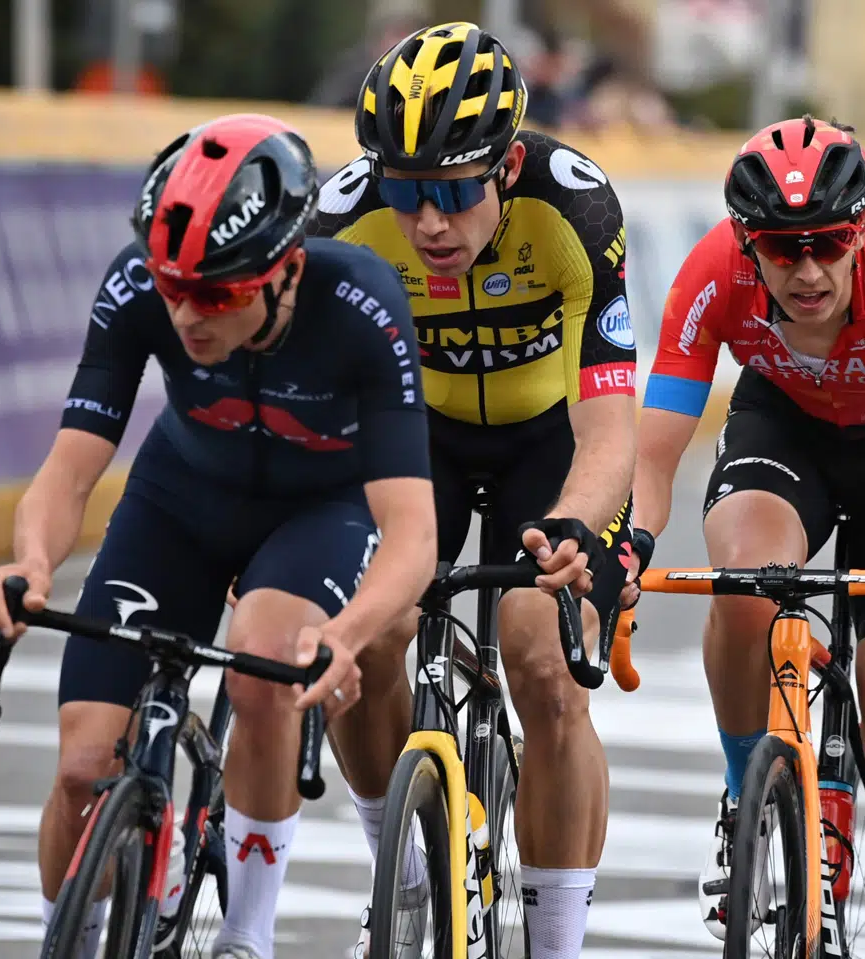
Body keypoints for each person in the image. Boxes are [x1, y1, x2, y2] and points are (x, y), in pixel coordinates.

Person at [0, 114, 437, 959]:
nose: (187, 312)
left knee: (263, 665)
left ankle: (247, 936)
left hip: (321, 508)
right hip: (179, 499)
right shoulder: (140, 289)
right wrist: (31, 561)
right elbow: (69, 468)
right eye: (172, 284)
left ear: (286, 268)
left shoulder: (362, 304)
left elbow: (413, 532)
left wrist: (346, 632)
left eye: (217, 293)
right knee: (82, 767)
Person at [308, 21, 639, 959]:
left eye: (454, 192)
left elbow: (610, 426)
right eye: (408, 195)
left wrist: (579, 524)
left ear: (505, 166)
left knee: (540, 658)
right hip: (420, 440)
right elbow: (315, 419)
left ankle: (557, 941)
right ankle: (397, 874)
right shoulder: (340, 222)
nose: (429, 225)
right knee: (374, 634)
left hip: (551, 443)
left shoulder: (576, 208)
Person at [628, 115, 865, 955]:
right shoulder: (712, 272)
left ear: (860, 229)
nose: (810, 268)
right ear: (749, 245)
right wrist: (625, 544)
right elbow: (650, 461)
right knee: (746, 583)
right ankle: (748, 786)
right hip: (784, 429)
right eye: (784, 250)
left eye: (828, 242)